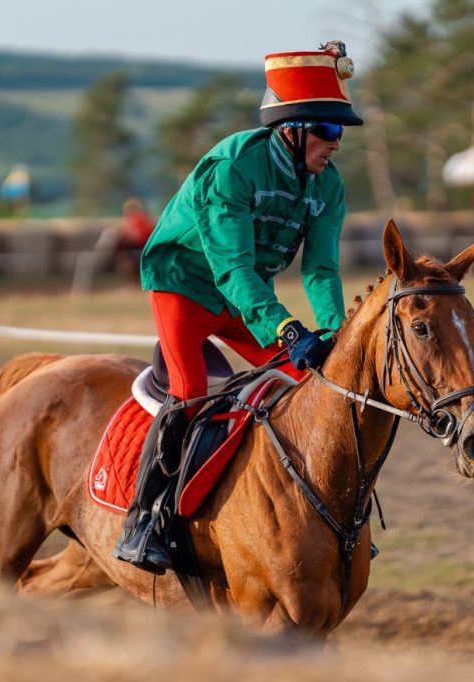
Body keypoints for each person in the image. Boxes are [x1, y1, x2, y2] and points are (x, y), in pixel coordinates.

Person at [113, 40, 363, 573]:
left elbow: (321, 271)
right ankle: (145, 521)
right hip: (185, 286)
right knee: (190, 392)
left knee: (306, 381)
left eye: (341, 132)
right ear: (291, 130)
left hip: (246, 300)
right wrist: (289, 329)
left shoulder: (329, 186)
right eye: (328, 130)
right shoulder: (233, 166)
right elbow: (234, 270)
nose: (336, 143)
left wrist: (337, 334)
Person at [115, 197, 156, 281]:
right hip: (147, 248)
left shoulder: (135, 220)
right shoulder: (146, 219)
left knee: (121, 252)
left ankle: (134, 278)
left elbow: (137, 237)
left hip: (141, 249)